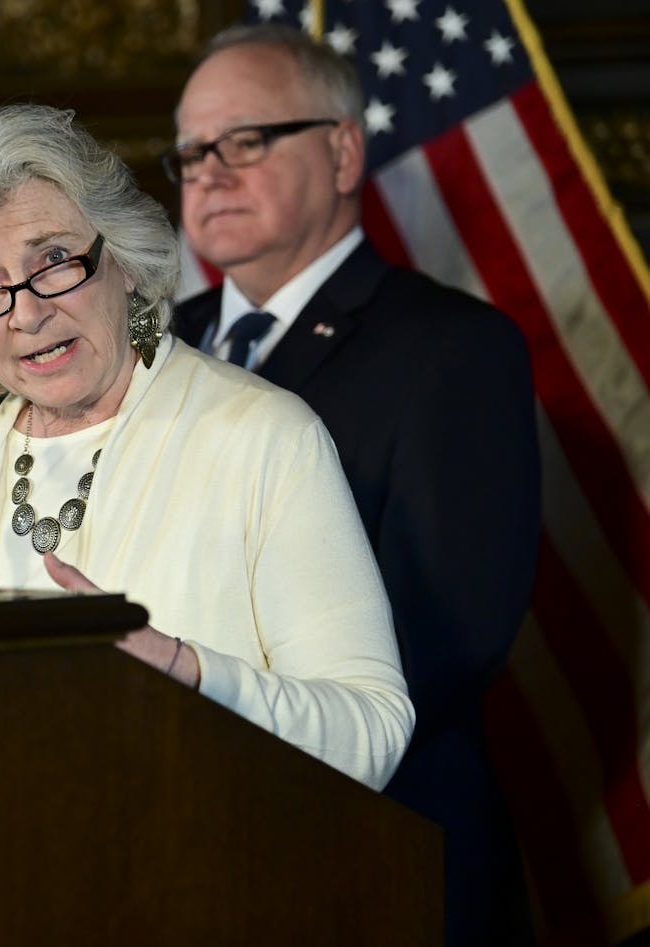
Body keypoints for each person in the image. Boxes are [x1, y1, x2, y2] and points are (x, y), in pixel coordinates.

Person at [0, 101, 414, 791]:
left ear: (123, 261)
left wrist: (187, 671)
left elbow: (373, 732)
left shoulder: (264, 437)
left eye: (54, 260)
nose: (27, 310)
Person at [168, 24, 540, 946]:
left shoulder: (454, 349)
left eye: (245, 141)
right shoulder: (149, 346)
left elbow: (448, 633)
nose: (208, 174)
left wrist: (223, 714)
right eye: (187, 154)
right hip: (173, 826)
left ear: (341, 150)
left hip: (375, 837)